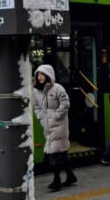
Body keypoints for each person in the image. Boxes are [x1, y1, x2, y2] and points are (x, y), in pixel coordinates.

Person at [33, 64, 77, 192]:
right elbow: (36, 107)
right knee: (62, 152)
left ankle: (56, 181)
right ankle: (70, 176)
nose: (40, 77)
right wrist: (40, 117)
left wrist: (57, 116)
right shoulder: (36, 91)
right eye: (38, 75)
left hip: (59, 125)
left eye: (42, 75)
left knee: (54, 154)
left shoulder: (58, 88)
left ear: (48, 75)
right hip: (47, 126)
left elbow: (65, 103)